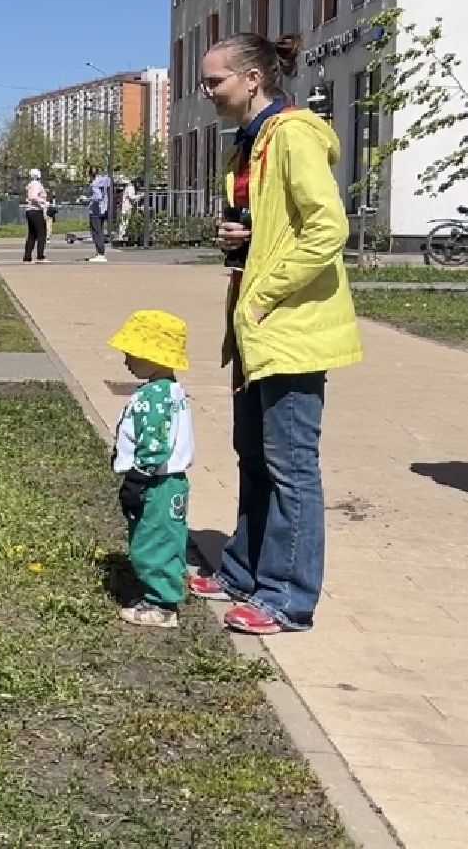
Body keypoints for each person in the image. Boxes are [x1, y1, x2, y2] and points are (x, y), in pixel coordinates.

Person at [192, 32, 362, 636]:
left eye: (216, 81)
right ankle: (242, 570)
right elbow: (271, 226)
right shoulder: (250, 144)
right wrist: (237, 237)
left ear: (253, 79)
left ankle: (286, 598)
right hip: (254, 329)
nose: (207, 92)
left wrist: (263, 294)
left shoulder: (290, 136)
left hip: (287, 327)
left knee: (290, 465)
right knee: (254, 457)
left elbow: (326, 228)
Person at [107, 310, 195, 629]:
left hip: (157, 483)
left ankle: (161, 606)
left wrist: (138, 478)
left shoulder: (152, 396)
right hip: (173, 483)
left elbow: (155, 444)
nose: (126, 360)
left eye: (131, 353)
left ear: (153, 356)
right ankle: (162, 592)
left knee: (152, 540)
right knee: (167, 538)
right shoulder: (171, 390)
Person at [22, 168, 50, 263]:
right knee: (42, 233)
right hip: (36, 211)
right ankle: (40, 256)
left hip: (29, 211)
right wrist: (43, 202)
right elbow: (33, 196)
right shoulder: (37, 185)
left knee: (32, 234)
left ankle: (27, 256)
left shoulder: (30, 185)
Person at [87, 166, 112, 262]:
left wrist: (87, 199)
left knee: (96, 232)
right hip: (103, 208)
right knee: (99, 230)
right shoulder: (104, 180)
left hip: (95, 210)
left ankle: (100, 253)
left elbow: (98, 196)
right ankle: (100, 252)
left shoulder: (94, 184)